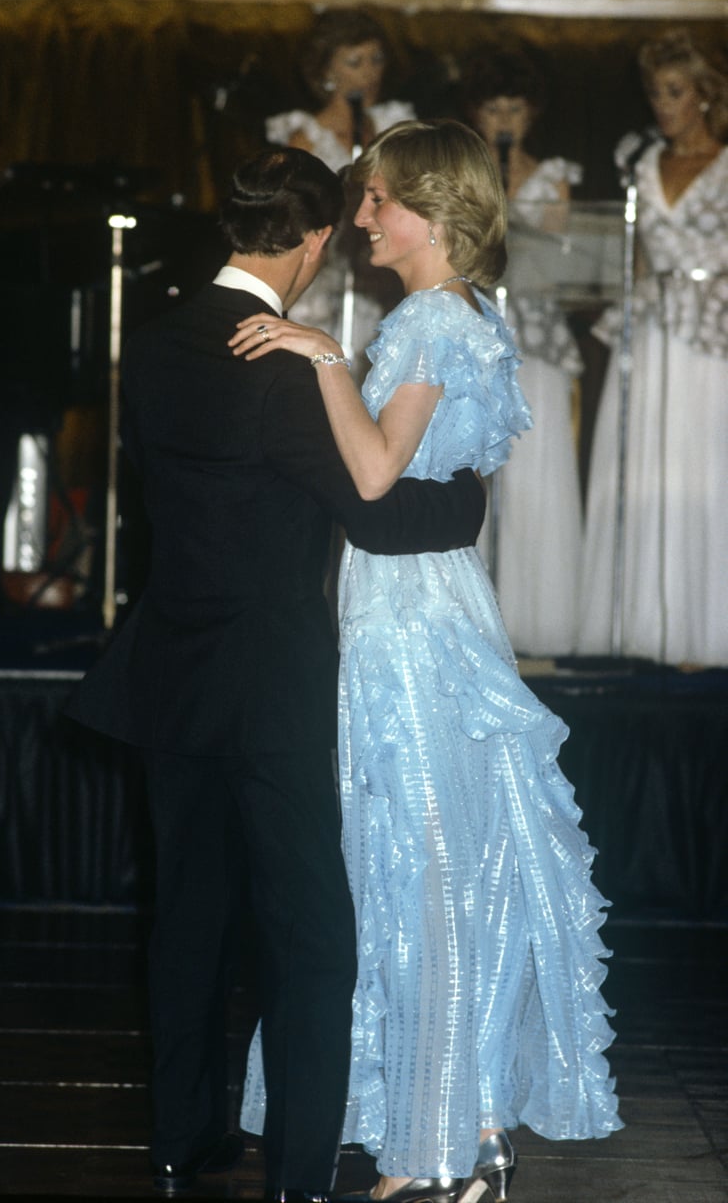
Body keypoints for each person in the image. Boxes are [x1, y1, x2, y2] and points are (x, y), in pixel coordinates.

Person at [65, 145, 489, 1201]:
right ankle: (300, 1170)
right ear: (309, 241)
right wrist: (471, 497)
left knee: (190, 917)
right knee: (309, 935)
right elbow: (380, 517)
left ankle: (180, 1137)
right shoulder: (288, 366)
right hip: (273, 686)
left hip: (171, 669)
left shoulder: (155, 343)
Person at [234, 120, 622, 1203]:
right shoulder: (469, 316)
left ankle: (436, 1143)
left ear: (434, 210)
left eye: (378, 201)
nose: (361, 218)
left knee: (420, 861)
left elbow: (368, 474)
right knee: (445, 856)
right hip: (433, 602)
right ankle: (470, 1120)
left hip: (408, 622)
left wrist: (316, 355)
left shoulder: (424, 324)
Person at [578, 29, 728, 667]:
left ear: (706, 95)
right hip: (650, 330)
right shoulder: (638, 164)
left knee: (703, 469)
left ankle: (707, 630)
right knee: (640, 467)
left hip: (709, 338)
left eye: (676, 91)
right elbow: (629, 252)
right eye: (655, 92)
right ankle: (638, 629)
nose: (663, 105)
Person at [465, 49, 584, 657]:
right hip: (474, 339)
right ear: (476, 113)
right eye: (494, 108)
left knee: (535, 479)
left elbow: (565, 263)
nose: (505, 120)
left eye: (515, 108)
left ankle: (537, 624)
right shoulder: (462, 177)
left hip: (534, 342)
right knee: (475, 480)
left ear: (531, 113)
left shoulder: (551, 175)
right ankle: (472, 624)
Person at [265, 8, 414, 381]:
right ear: (326, 71)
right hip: (326, 277)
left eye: (376, 59)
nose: (370, 72)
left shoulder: (395, 125)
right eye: (355, 61)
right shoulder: (305, 137)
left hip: (380, 277)